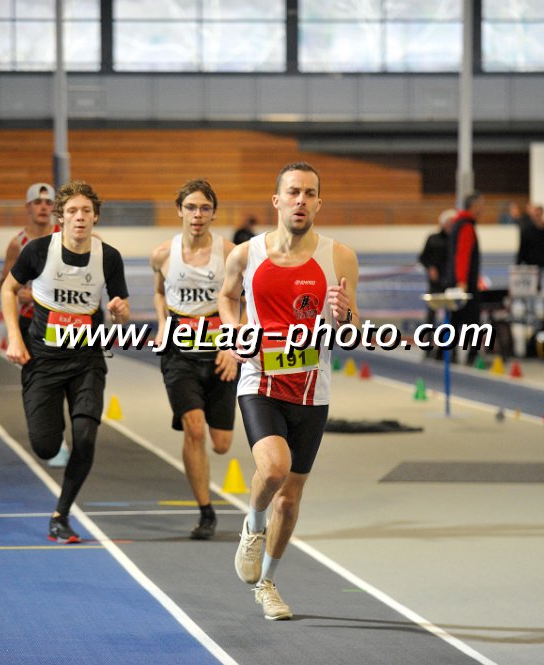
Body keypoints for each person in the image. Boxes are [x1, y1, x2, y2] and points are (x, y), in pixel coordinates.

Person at [217, 161, 359, 621]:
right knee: (274, 468)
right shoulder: (246, 254)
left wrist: (344, 314)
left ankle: (268, 584)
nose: (301, 200)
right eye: (293, 192)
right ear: (276, 200)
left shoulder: (340, 257)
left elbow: (351, 331)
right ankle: (252, 526)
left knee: (291, 498)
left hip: (312, 388)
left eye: (310, 193)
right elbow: (226, 297)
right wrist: (233, 331)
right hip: (260, 379)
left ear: (319, 203)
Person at [0, 180, 131, 544]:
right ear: (61, 217)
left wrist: (119, 312)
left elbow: (122, 310)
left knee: (85, 438)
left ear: (95, 216)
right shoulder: (38, 251)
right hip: (42, 359)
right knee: (45, 445)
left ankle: (61, 514)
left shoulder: (108, 257)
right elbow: (8, 289)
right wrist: (14, 337)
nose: (79, 217)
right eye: (72, 211)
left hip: (87, 359)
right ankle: (50, 433)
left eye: (86, 211)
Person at [149, 179, 239, 540]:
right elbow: (159, 292)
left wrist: (234, 346)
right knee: (195, 429)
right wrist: (161, 324)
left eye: (204, 208)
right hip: (179, 355)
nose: (197, 214)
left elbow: (245, 301)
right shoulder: (162, 254)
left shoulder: (231, 254)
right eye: (191, 207)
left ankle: (206, 508)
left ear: (213, 213)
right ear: (179, 211)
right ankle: (206, 512)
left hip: (219, 355)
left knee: (221, 444)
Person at [0, 182, 70, 468]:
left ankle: (60, 438)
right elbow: (4, 284)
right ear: (28, 207)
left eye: (48, 202)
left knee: (63, 381)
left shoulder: (66, 236)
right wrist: (20, 294)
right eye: (37, 202)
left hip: (64, 321)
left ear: (55, 207)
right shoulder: (18, 243)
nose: (43, 207)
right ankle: (52, 434)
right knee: (40, 382)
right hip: (31, 324)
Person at [446, 192, 485, 364]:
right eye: (481, 205)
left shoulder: (458, 224)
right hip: (464, 283)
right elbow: (463, 255)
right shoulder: (466, 226)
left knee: (455, 318)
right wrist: (462, 282)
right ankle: (472, 356)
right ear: (474, 206)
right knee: (472, 320)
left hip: (458, 280)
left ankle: (449, 353)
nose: (483, 209)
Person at [418, 208, 456, 359]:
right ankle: (428, 347)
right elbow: (422, 258)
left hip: (450, 284)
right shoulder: (432, 238)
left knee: (451, 317)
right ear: (442, 223)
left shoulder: (456, 240)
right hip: (435, 284)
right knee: (431, 316)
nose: (450, 225)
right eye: (449, 223)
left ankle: (446, 349)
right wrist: (430, 268)